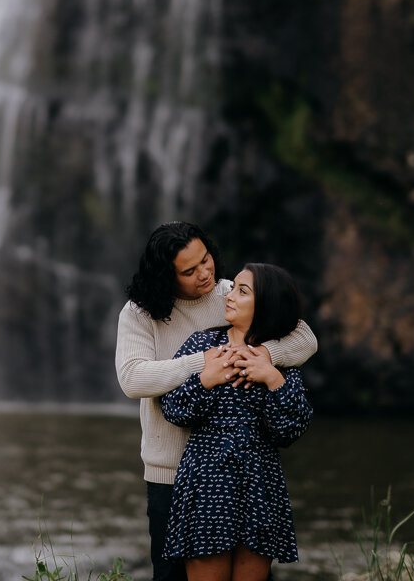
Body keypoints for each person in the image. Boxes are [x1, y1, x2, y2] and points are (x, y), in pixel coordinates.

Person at [114, 222, 317, 581]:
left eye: (206, 260)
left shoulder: (230, 292)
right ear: (166, 277)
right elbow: (133, 379)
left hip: (254, 475)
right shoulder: (140, 313)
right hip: (175, 471)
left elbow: (304, 338)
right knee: (170, 575)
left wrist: (259, 358)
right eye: (189, 271)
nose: (205, 274)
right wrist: (207, 363)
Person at [161, 262, 313, 581]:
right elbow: (173, 410)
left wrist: (272, 378)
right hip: (206, 480)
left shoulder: (279, 359)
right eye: (232, 288)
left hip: (260, 481)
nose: (229, 296)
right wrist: (205, 380)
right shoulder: (202, 346)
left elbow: (290, 430)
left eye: (242, 291)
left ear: (266, 304)